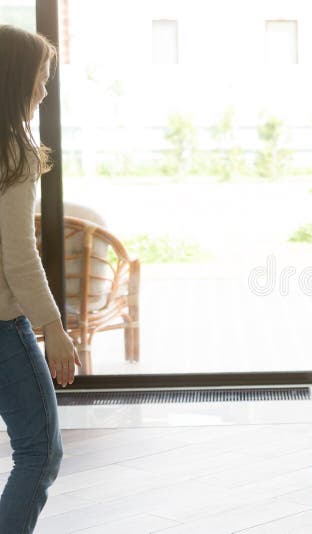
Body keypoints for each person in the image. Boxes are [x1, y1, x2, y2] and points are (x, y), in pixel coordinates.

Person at [0, 25, 81, 533]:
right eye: (41, 79)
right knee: (39, 451)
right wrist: (53, 327)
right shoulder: (14, 153)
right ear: (15, 80)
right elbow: (19, 257)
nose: (44, 92)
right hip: (3, 327)